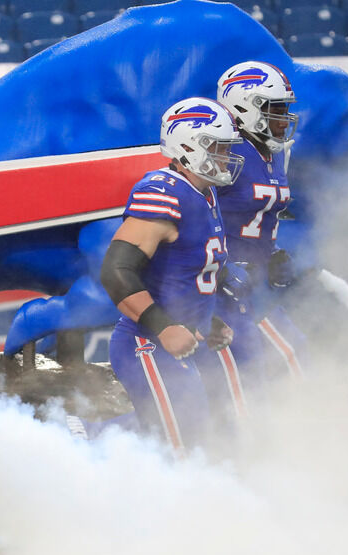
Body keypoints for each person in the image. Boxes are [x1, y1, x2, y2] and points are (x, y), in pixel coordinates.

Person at [99, 97, 243, 456]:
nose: (226, 157)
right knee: (182, 451)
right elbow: (116, 271)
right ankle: (78, 445)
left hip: (184, 340)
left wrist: (207, 321)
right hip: (147, 343)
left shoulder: (204, 194)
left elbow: (188, 272)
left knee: (204, 437)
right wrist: (164, 326)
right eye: (218, 147)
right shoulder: (165, 191)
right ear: (188, 147)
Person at [199, 61, 309, 424]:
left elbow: (259, 215)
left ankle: (284, 446)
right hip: (217, 287)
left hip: (252, 287)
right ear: (245, 106)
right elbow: (194, 213)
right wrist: (219, 265)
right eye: (275, 110)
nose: (283, 119)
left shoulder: (275, 152)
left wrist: (273, 252)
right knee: (283, 362)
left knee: (287, 361)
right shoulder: (224, 152)